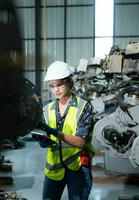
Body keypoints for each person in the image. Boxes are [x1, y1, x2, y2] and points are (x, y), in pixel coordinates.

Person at [35, 61, 95, 200]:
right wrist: (42, 141)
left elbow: (80, 142)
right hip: (54, 167)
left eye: (60, 84)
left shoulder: (83, 107)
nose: (56, 90)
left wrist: (54, 132)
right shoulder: (47, 109)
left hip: (77, 167)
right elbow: (47, 139)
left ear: (69, 83)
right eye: (52, 86)